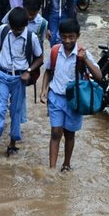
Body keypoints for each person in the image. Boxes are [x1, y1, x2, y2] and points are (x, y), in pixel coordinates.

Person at [0, 7, 43, 164]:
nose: (16, 32)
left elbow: (40, 58)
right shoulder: (3, 30)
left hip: (19, 79)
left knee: (16, 111)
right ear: (9, 24)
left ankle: (12, 144)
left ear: (25, 25)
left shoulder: (31, 37)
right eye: (14, 29)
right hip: (2, 75)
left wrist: (29, 71)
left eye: (19, 29)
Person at [40, 18, 102, 171]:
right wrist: (43, 91)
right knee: (55, 133)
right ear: (60, 35)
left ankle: (66, 164)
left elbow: (99, 76)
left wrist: (85, 60)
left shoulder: (83, 54)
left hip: (75, 101)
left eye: (71, 37)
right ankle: (52, 168)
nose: (67, 40)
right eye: (64, 36)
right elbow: (48, 71)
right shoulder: (55, 51)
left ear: (78, 36)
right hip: (55, 96)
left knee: (69, 134)